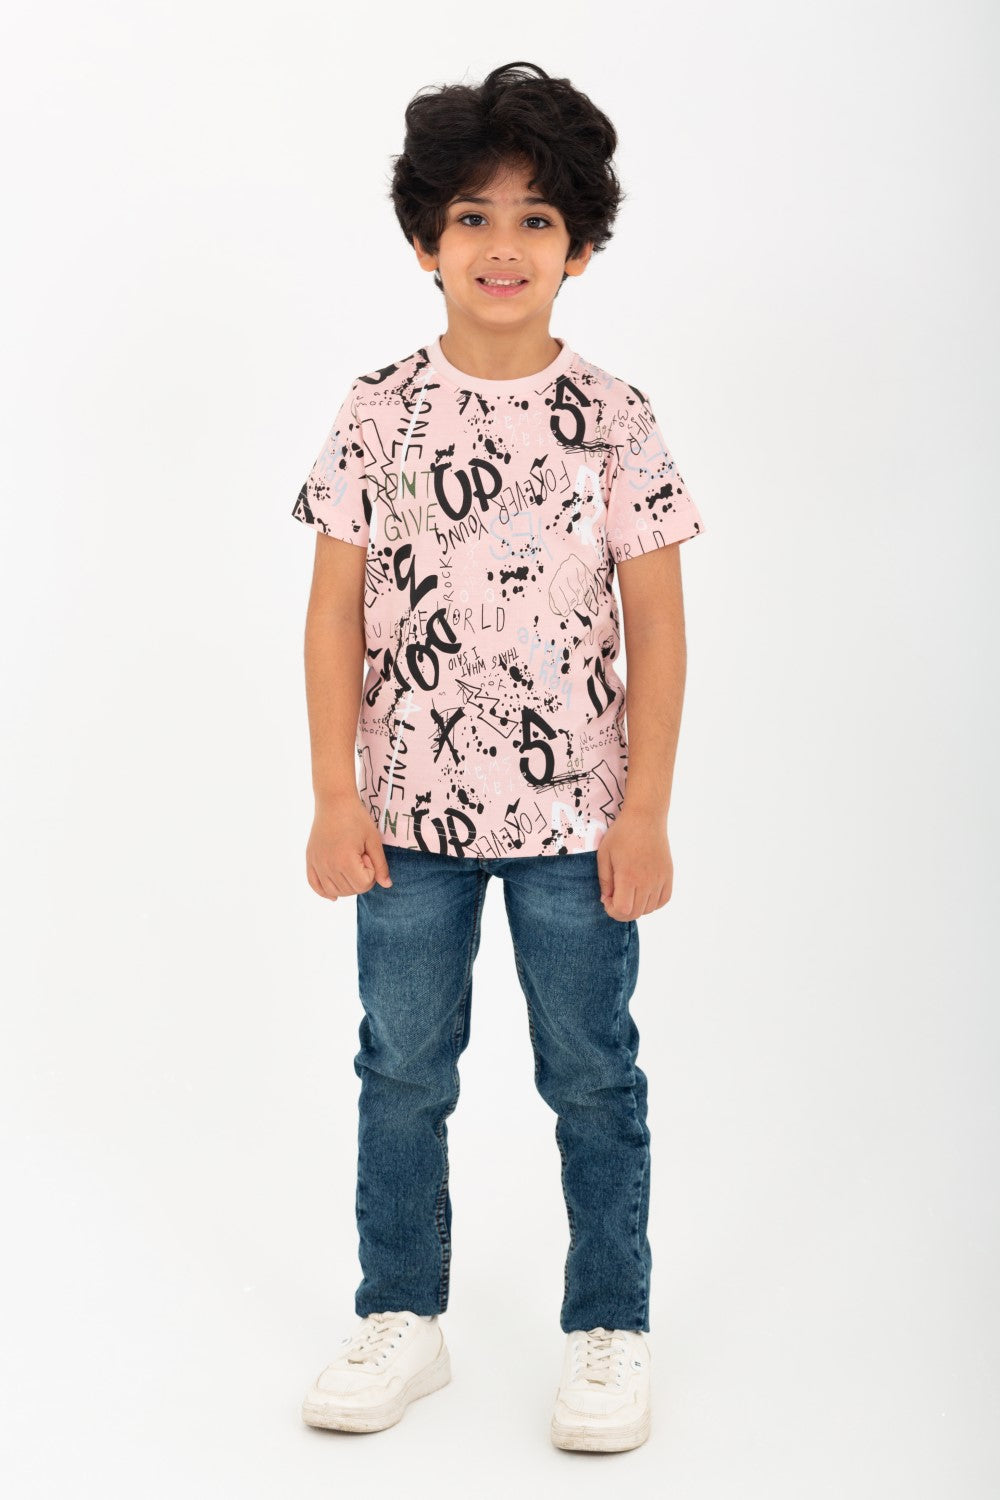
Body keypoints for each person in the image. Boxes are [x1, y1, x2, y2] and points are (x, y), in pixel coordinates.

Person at [292, 60, 705, 1454]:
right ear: (426, 240)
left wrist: (645, 810)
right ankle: (402, 1313)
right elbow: (333, 612)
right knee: (403, 1069)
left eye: (537, 219)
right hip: (407, 821)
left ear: (578, 247)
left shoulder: (615, 418)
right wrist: (335, 792)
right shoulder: (376, 411)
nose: (503, 245)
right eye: (473, 216)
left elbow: (657, 624)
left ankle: (609, 1327)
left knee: (592, 1075)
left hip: (577, 822)